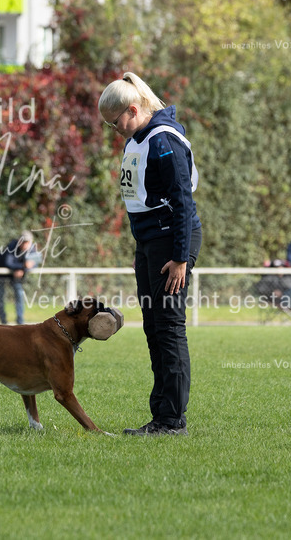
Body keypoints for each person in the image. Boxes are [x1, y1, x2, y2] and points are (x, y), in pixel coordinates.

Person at [100, 72, 202, 437]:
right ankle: (160, 415)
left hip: (172, 242)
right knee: (153, 329)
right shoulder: (136, 141)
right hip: (150, 244)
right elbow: (141, 203)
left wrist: (180, 257)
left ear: (132, 109)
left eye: (115, 122)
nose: (114, 129)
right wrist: (140, 248)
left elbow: (182, 203)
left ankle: (173, 420)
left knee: (170, 329)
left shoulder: (164, 141)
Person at [0, 231, 39, 325]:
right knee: (0, 297)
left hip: (17, 273)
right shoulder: (11, 246)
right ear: (19, 241)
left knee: (19, 294)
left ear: (31, 242)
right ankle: (3, 321)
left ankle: (20, 321)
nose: (24, 244)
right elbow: (8, 263)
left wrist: (25, 268)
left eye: (27, 242)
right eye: (23, 241)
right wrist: (22, 267)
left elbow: (35, 263)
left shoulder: (32, 249)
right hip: (1, 273)